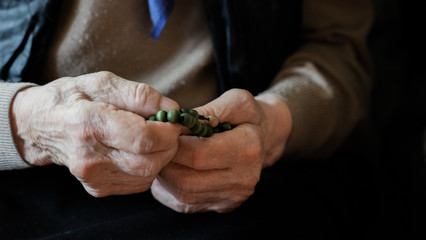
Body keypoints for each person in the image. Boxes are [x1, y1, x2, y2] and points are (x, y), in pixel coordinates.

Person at [0, 0, 372, 232]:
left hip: (241, 180)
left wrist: (271, 124)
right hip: (28, 178)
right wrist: (25, 123)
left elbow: (339, 50)